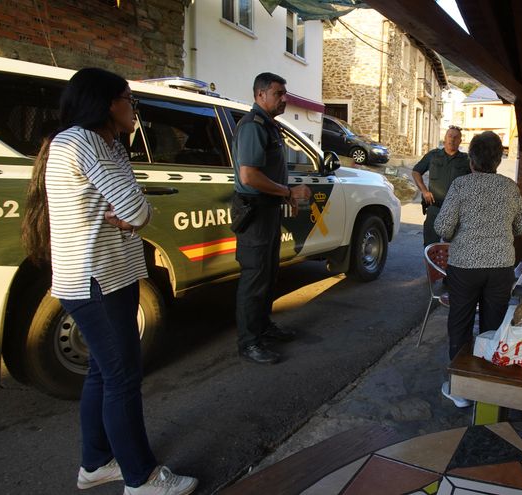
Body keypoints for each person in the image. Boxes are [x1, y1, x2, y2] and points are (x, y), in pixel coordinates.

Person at [21, 68, 197, 494]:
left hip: (106, 278)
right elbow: (137, 212)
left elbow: (130, 209)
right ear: (107, 104)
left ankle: (96, 463)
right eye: (129, 100)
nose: (134, 109)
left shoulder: (104, 144)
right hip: (96, 281)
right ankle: (142, 478)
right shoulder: (85, 143)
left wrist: (128, 215)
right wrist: (129, 217)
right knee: (121, 378)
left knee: (102, 373)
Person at [434, 131, 522, 407]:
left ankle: (460, 390)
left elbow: (442, 228)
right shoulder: (509, 187)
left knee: (460, 324)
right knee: (493, 325)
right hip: (500, 267)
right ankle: (488, 387)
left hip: (464, 267)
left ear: (471, 159)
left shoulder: (461, 186)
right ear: (499, 160)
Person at [231, 72, 312, 365]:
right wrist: (287, 192)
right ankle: (249, 343)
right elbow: (249, 176)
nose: (284, 98)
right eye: (278, 93)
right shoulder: (254, 126)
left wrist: (282, 195)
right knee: (254, 279)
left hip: (267, 211)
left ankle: (263, 328)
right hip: (255, 213)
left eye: (284, 93)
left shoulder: (269, 126)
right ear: (261, 94)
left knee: (266, 275)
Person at [412, 126, 470, 245]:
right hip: (435, 208)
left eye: (456, 137)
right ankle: (431, 264)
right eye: (450, 136)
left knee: (455, 247)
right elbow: (416, 171)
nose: (452, 140)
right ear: (444, 139)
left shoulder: (466, 160)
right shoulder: (433, 155)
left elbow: (477, 179)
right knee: (430, 245)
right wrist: (424, 191)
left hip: (457, 212)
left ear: (460, 141)